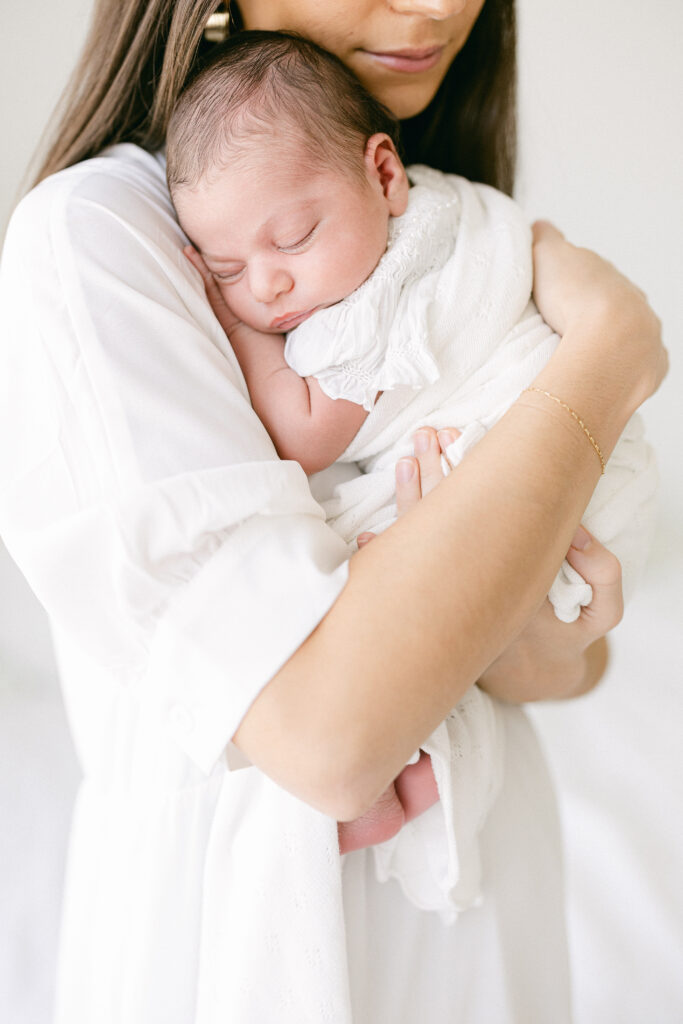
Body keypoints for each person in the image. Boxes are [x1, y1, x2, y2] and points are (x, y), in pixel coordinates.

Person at [0, 2, 667, 1023]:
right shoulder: (97, 234)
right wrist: (608, 348)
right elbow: (327, 739)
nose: (439, 5)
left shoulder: (428, 226)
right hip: (247, 945)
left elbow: (554, 666)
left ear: (382, 173)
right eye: (226, 273)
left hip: (480, 914)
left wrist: (540, 625)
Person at [167, 29, 657, 865]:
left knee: (352, 539)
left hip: (560, 475)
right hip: (586, 472)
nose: (267, 285)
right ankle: (416, 750)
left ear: (386, 176)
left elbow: (306, 432)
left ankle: (414, 755)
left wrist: (219, 319)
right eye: (223, 270)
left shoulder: (385, 293)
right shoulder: (425, 211)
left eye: (290, 240)